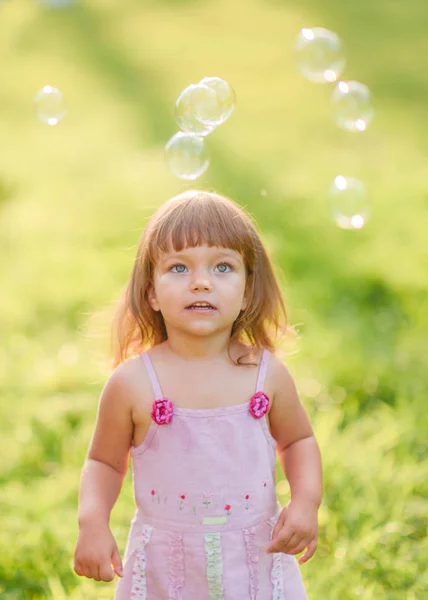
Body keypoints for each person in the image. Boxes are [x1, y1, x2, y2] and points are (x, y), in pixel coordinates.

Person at [73, 190, 323, 599]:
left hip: (253, 561)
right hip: (166, 566)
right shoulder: (134, 383)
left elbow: (298, 440)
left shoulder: (267, 376)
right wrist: (92, 522)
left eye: (223, 266)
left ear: (247, 291)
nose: (201, 282)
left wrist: (306, 501)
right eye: (178, 267)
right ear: (151, 291)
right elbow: (103, 461)